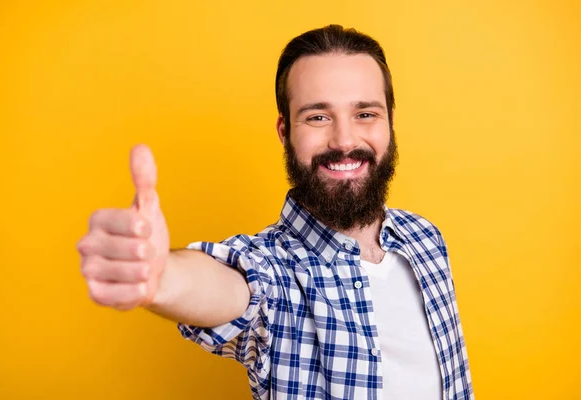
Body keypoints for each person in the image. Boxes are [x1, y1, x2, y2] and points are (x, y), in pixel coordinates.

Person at [77, 24, 474, 400]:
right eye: (318, 116)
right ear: (285, 132)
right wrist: (162, 276)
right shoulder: (274, 271)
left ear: (389, 122)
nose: (345, 139)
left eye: (365, 114)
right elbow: (233, 287)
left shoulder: (425, 240)